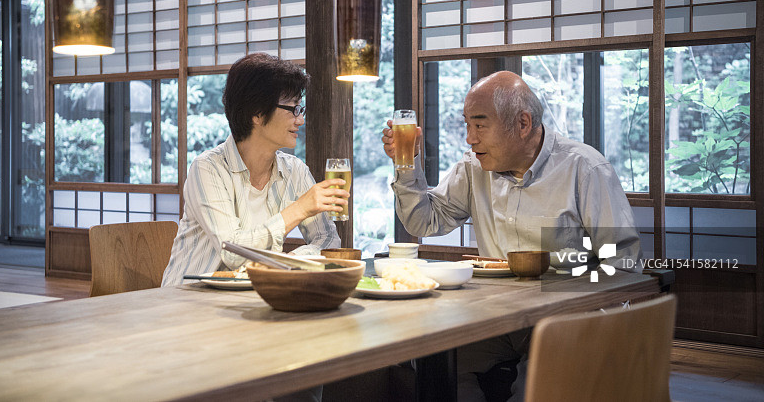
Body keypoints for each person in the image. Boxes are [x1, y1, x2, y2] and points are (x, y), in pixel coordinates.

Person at [381, 71, 642, 401]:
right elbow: (423, 221)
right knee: (433, 356)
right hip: (499, 316)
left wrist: (558, 275)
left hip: (571, 317)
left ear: (522, 123)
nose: (469, 139)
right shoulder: (474, 168)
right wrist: (407, 165)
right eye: (467, 125)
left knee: (536, 382)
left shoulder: (584, 168)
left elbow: (623, 262)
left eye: (479, 125)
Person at [162, 53, 344, 287]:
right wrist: (299, 209)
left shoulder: (294, 170)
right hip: (185, 302)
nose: (300, 120)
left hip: (252, 300)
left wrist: (292, 260)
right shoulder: (209, 168)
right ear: (257, 113)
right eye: (292, 109)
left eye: (301, 109)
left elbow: (328, 239)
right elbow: (233, 252)